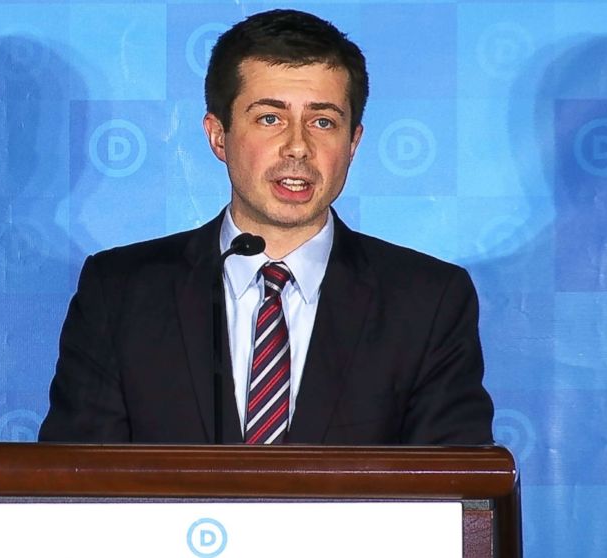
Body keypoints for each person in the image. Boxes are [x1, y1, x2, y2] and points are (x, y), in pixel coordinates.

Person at [38, 9, 494, 445]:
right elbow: (72, 488)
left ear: (353, 142)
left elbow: (456, 498)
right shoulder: (121, 293)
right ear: (219, 135)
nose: (297, 147)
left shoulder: (428, 302)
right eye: (270, 118)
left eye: (322, 121)